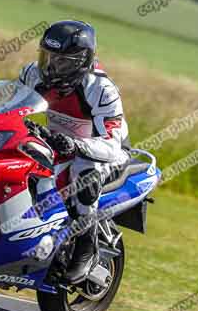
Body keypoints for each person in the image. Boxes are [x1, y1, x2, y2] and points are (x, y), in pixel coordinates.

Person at [19, 20, 130, 283]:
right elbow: (16, 109)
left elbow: (112, 145)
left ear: (82, 60)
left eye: (63, 61)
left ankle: (86, 245)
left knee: (84, 170)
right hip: (56, 143)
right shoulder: (32, 74)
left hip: (102, 152)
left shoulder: (101, 89)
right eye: (48, 57)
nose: (52, 66)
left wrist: (77, 145)